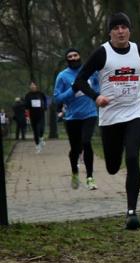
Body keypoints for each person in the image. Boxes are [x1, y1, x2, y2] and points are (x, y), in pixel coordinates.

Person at [73, 12, 140, 230]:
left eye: (124, 27)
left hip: (134, 112)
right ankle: (113, 164)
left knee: (133, 157)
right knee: (113, 166)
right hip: (110, 117)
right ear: (110, 32)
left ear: (129, 30)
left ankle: (131, 212)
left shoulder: (138, 50)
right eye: (116, 28)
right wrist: (96, 96)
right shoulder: (102, 53)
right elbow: (79, 81)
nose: (120, 31)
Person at [54, 48, 100, 190]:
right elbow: (57, 98)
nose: (73, 58)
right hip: (72, 117)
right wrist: (73, 89)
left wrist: (95, 93)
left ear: (80, 57)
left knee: (86, 142)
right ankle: (74, 172)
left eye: (75, 55)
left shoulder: (91, 72)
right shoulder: (62, 76)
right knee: (75, 149)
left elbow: (98, 87)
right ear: (67, 60)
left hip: (90, 114)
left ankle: (90, 177)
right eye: (70, 56)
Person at [24, 81, 47, 153]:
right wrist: (27, 116)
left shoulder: (41, 94)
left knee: (41, 129)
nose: (32, 86)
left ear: (36, 86)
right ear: (29, 87)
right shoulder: (28, 95)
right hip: (33, 115)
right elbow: (26, 106)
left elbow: (45, 101)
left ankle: (41, 138)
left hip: (41, 114)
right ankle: (37, 146)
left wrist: (45, 107)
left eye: (34, 85)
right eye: (31, 85)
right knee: (35, 131)